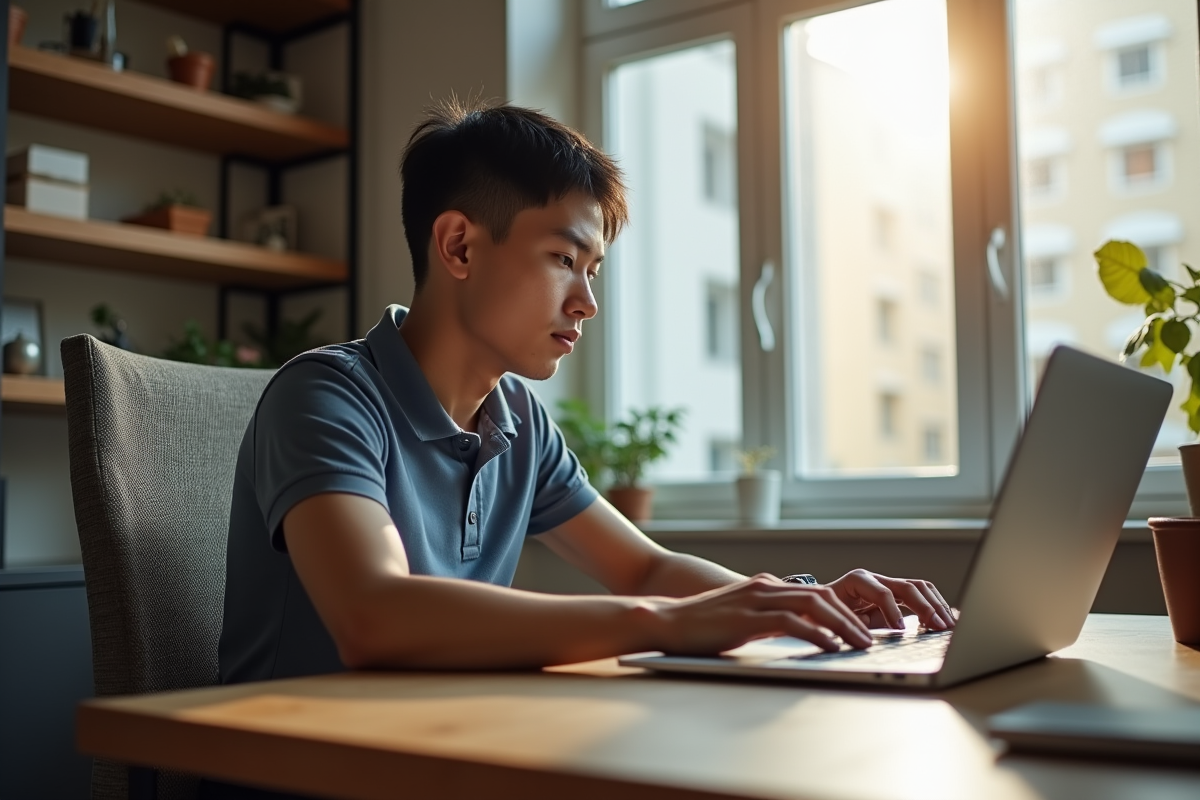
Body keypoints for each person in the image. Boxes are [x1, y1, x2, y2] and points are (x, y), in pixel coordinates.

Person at [217, 98, 956, 689]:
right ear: (459, 246)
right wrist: (660, 623)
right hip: (301, 767)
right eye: (563, 258)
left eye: (593, 270)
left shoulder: (518, 424)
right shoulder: (328, 396)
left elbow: (644, 567)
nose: (586, 302)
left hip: (441, 749)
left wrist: (798, 602)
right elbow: (374, 615)